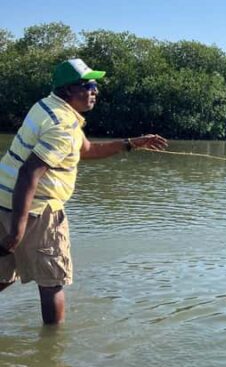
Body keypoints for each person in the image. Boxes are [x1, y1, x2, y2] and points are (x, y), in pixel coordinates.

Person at [0, 58, 168, 325]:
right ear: (68, 90)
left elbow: (85, 150)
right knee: (52, 283)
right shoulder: (63, 126)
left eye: (96, 85)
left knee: (3, 274)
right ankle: (52, 355)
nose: (95, 91)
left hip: (4, 201)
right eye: (87, 85)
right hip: (35, 211)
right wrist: (18, 230)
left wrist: (130, 144)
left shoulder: (46, 106)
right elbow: (30, 172)